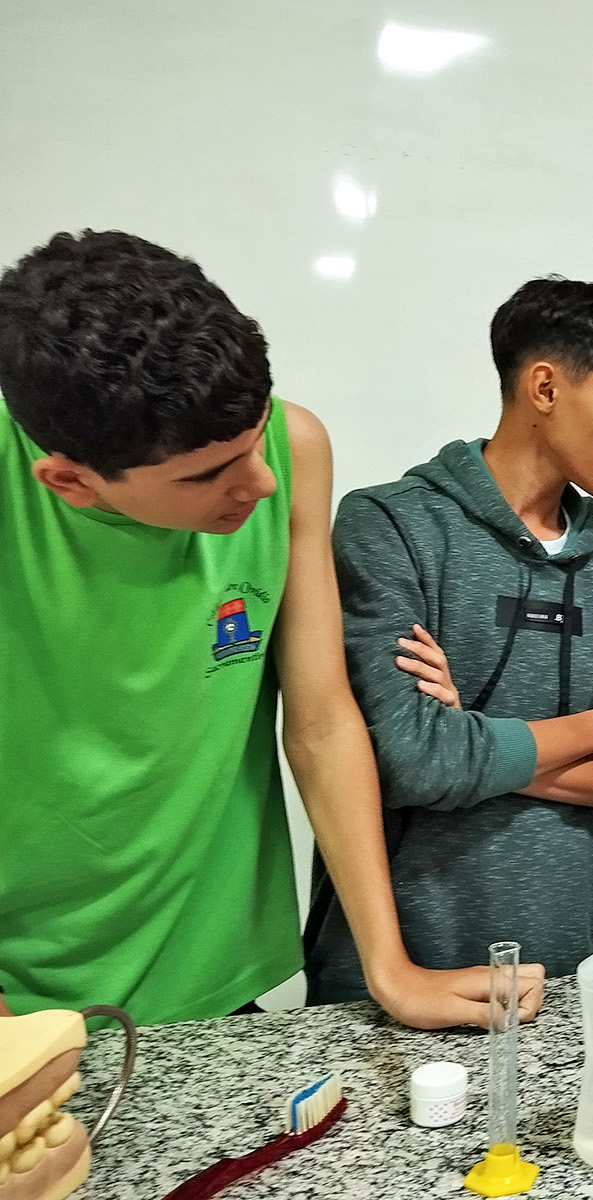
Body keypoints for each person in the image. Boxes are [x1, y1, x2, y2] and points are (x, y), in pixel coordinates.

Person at [0, 229, 534, 1026]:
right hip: (23, 990)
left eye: (255, 439)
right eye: (208, 474)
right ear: (70, 482)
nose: (261, 482)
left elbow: (320, 722)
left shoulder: (293, 448)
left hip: (211, 977)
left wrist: (391, 969)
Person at [302, 277, 593, 1002]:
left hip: (579, 972)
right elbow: (410, 761)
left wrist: (470, 737)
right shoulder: (388, 527)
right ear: (545, 388)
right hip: (400, 982)